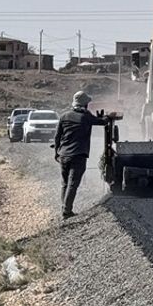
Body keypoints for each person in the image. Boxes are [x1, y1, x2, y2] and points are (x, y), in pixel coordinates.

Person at [53, 91, 106, 219]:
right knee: (72, 184)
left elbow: (57, 137)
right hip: (78, 155)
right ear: (85, 105)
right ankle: (66, 211)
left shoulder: (64, 116)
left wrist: (56, 153)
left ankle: (64, 208)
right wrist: (103, 117)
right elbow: (102, 122)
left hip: (63, 155)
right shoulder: (86, 117)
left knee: (65, 183)